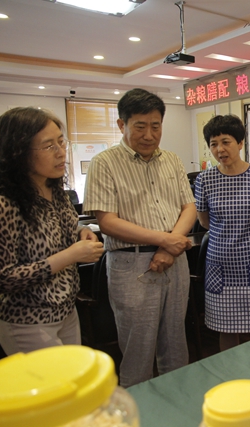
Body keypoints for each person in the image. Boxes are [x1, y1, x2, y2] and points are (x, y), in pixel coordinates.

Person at [84, 88, 196, 387]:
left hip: (174, 260)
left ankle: (178, 402)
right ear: (122, 125)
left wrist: (169, 247)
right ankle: (138, 407)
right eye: (140, 126)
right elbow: (107, 222)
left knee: (176, 341)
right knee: (138, 348)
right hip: (131, 264)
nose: (149, 135)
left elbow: (189, 207)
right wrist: (166, 240)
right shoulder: (104, 162)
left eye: (155, 126)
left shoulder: (171, 160)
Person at [0, 107, 104, 355]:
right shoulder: (2, 203)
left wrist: (80, 231)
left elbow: (59, 228)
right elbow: (2, 279)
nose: (60, 152)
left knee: (73, 376)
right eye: (48, 146)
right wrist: (70, 255)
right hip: (27, 318)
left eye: (61, 142)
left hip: (66, 308)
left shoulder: (55, 190)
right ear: (18, 152)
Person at [194, 115, 250, 351]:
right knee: (225, 327)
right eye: (214, 144)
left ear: (240, 143)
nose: (220, 149)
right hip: (220, 262)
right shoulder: (205, 179)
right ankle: (229, 371)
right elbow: (204, 221)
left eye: (226, 142)